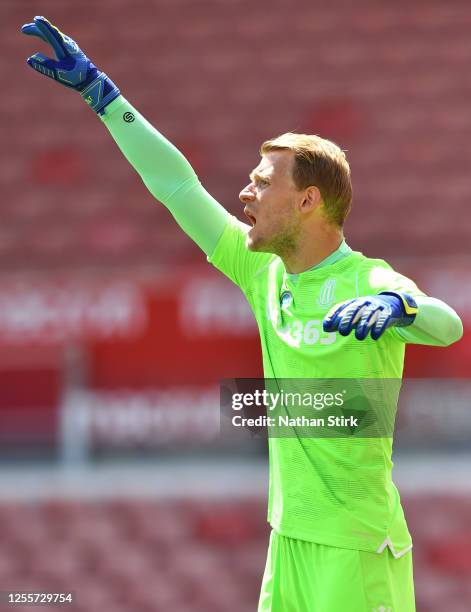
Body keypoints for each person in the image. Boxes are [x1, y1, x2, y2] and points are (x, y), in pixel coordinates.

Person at [21, 16, 463, 612]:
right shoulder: (264, 271)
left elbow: (447, 324)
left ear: (307, 201)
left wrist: (397, 304)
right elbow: (176, 185)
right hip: (287, 544)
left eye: (261, 182)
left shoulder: (367, 279)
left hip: (357, 550)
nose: (244, 194)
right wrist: (103, 96)